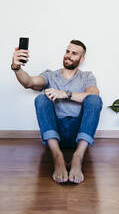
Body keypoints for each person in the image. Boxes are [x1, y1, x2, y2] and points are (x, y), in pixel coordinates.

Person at [11, 39, 103, 184]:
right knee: (41, 99)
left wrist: (65, 94)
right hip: (55, 132)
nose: (68, 55)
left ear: (82, 58)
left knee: (94, 100)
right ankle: (57, 157)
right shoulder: (50, 75)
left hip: (79, 132)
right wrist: (16, 67)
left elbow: (93, 96)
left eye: (74, 53)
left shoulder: (87, 76)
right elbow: (28, 82)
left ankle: (77, 157)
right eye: (67, 51)